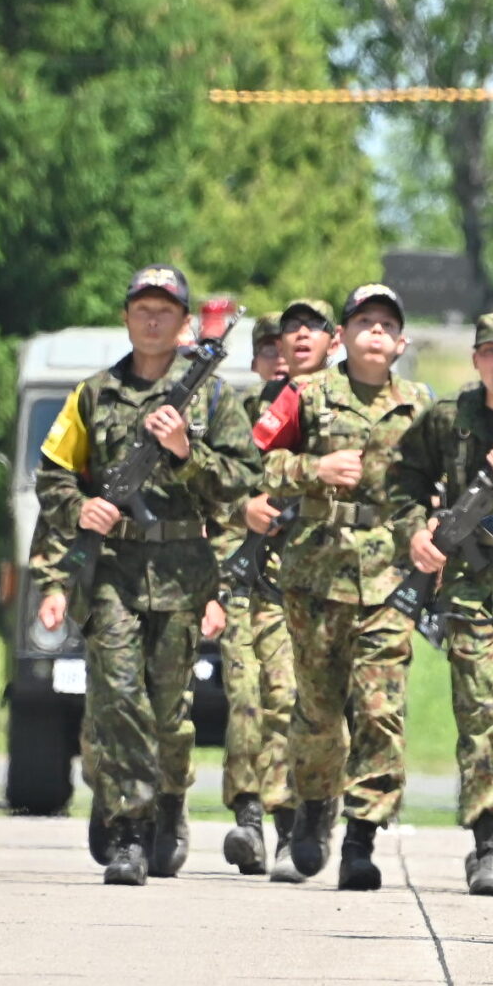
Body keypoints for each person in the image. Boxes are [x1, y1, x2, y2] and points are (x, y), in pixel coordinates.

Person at [32, 267, 259, 885]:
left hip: (184, 571)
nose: (152, 319)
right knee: (119, 698)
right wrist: (79, 509)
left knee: (168, 711)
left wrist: (187, 451)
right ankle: (128, 829)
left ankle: (169, 803)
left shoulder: (211, 398)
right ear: (127, 318)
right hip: (111, 571)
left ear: (184, 323)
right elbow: (52, 472)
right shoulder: (93, 394)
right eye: (141, 309)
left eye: (165, 310)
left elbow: (242, 479)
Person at [251, 284, 433, 891]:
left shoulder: (419, 404)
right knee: (319, 712)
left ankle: (361, 838)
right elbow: (260, 463)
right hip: (315, 575)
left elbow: (438, 478)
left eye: (386, 324)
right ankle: (312, 809)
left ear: (400, 341)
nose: (374, 333)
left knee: (380, 711)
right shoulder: (305, 395)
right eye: (363, 323)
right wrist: (312, 470)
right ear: (343, 338)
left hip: (388, 579)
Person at [396, 308, 493, 896]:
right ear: (475, 358)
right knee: (483, 716)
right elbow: (404, 479)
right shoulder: (449, 420)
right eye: (490, 351)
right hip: (470, 592)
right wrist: (414, 530)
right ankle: (489, 842)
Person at [217, 311, 300, 879]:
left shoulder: (315, 415)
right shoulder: (235, 417)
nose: (277, 357)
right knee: (244, 696)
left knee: (288, 697)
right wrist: (237, 509)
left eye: (285, 347)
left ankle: (290, 821)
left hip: (295, 581)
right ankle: (248, 815)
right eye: (266, 349)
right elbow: (205, 486)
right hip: (240, 579)